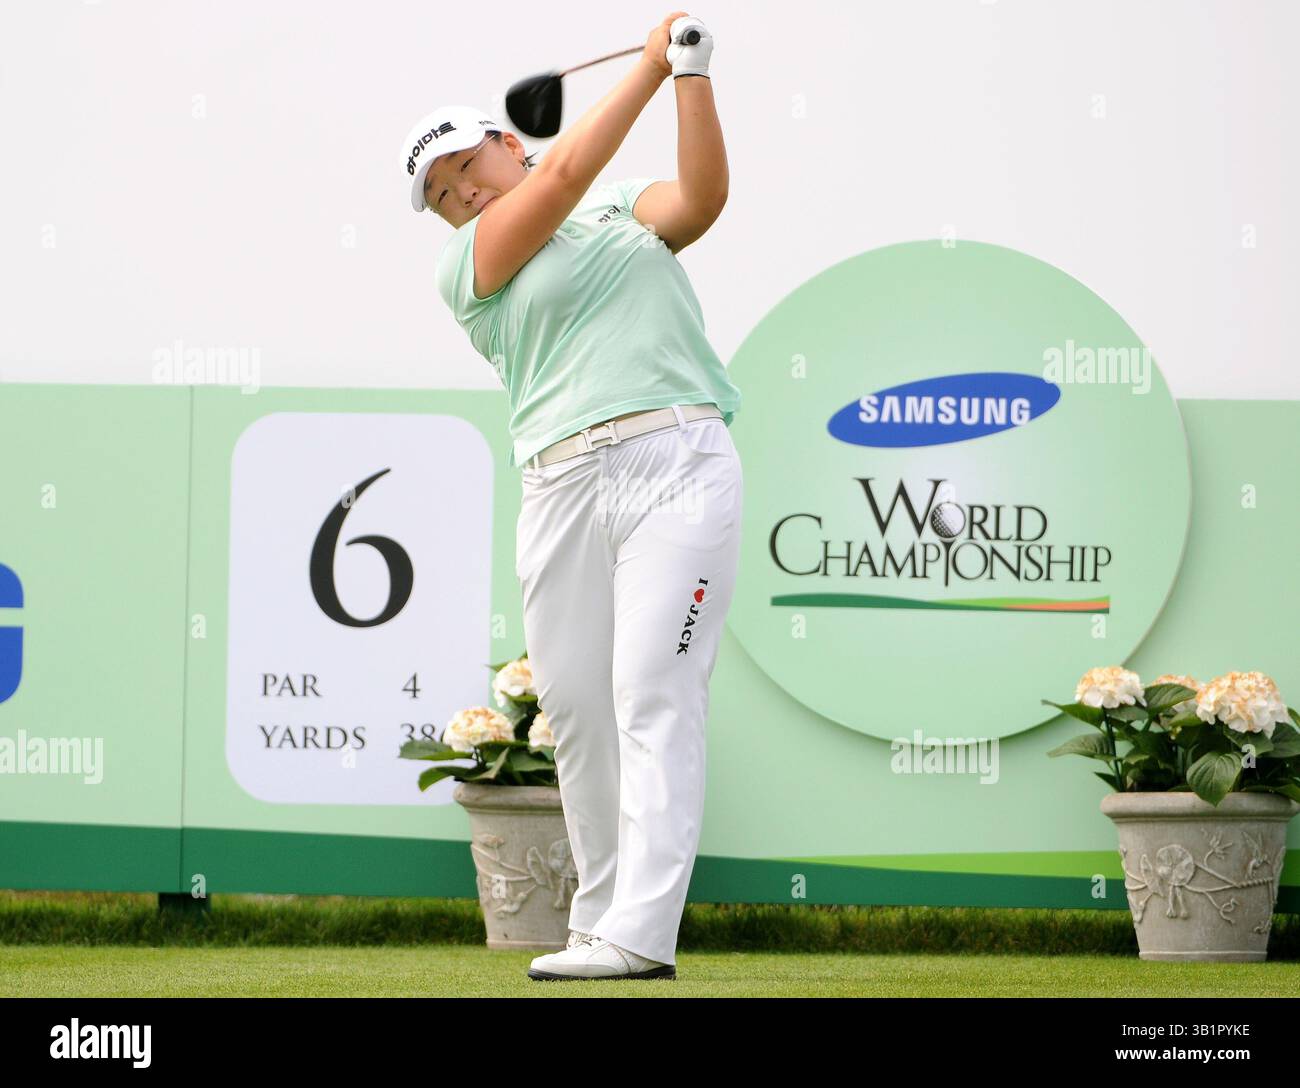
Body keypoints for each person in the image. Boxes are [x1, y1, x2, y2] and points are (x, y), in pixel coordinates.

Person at [399, 12, 742, 981]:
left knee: (653, 687)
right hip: (559, 481)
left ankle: (640, 930)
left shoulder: (622, 206)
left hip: (677, 461)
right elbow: (557, 181)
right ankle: (597, 917)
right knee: (582, 707)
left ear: (507, 137)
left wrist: (689, 73)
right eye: (441, 194)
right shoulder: (467, 267)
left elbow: (704, 199)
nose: (460, 192)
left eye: (465, 165)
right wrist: (642, 65)